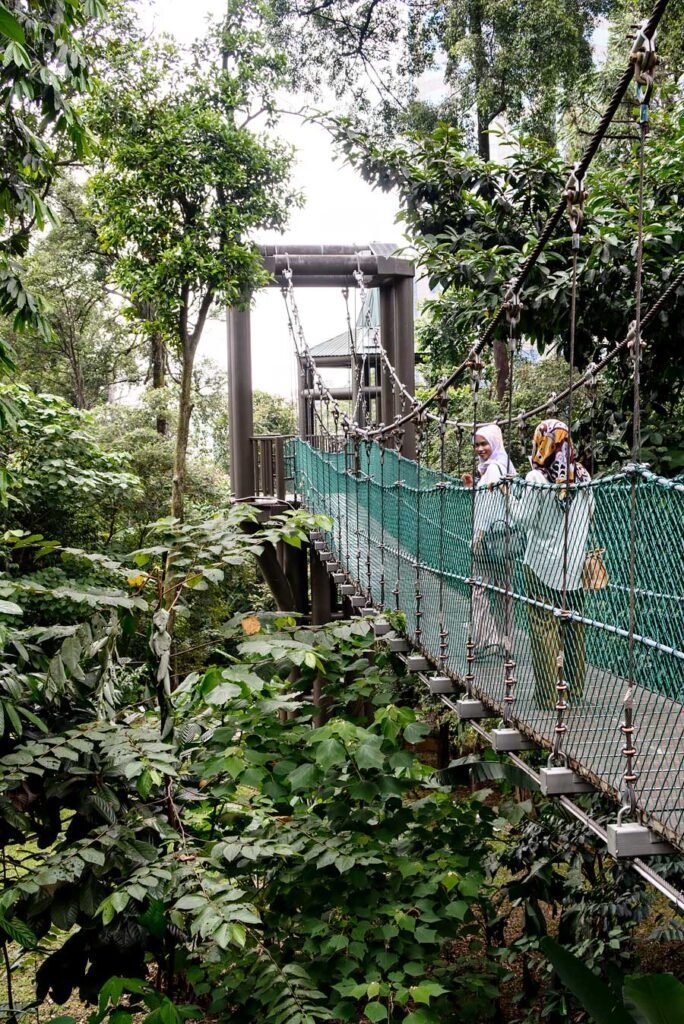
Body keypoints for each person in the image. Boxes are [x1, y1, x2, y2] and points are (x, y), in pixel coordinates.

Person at [513, 418, 593, 708]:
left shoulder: (536, 478)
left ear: (540, 442)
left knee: (543, 629)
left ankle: (548, 697)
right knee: (574, 628)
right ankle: (575, 691)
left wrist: (508, 496)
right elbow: (590, 514)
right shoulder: (582, 476)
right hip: (574, 566)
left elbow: (522, 520)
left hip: (540, 564)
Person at [462, 424, 517, 653]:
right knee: (505, 590)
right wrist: (474, 487)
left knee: (479, 589)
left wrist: (479, 537)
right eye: (477, 444)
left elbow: (489, 505)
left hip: (487, 537)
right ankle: (507, 639)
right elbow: (495, 497)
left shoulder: (493, 468)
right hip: (506, 537)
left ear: (494, 443)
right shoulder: (502, 463)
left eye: (484, 443)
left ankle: (487, 637)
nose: (480, 448)